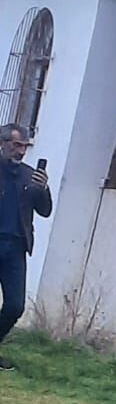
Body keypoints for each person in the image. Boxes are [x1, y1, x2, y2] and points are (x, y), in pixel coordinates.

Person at [0, 122, 54, 362]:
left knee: (15, 306)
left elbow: (45, 210)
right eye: (16, 145)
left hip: (16, 248)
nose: (21, 151)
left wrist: (43, 189)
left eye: (25, 146)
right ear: (3, 144)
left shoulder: (29, 175)